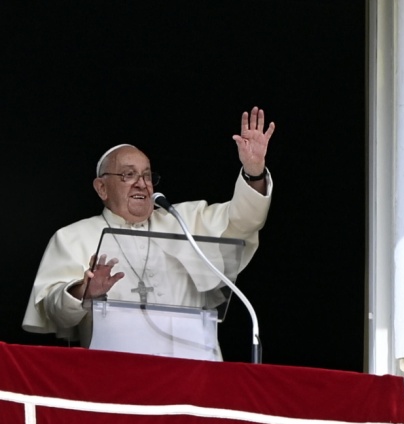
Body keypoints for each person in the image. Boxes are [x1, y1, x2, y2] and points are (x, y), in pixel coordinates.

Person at [22, 107, 275, 353]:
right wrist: (83, 291)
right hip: (117, 375)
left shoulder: (184, 221)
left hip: (192, 368)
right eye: (128, 175)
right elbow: (54, 309)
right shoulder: (71, 237)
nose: (142, 184)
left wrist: (254, 173)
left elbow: (244, 221)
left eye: (146, 175)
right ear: (102, 188)